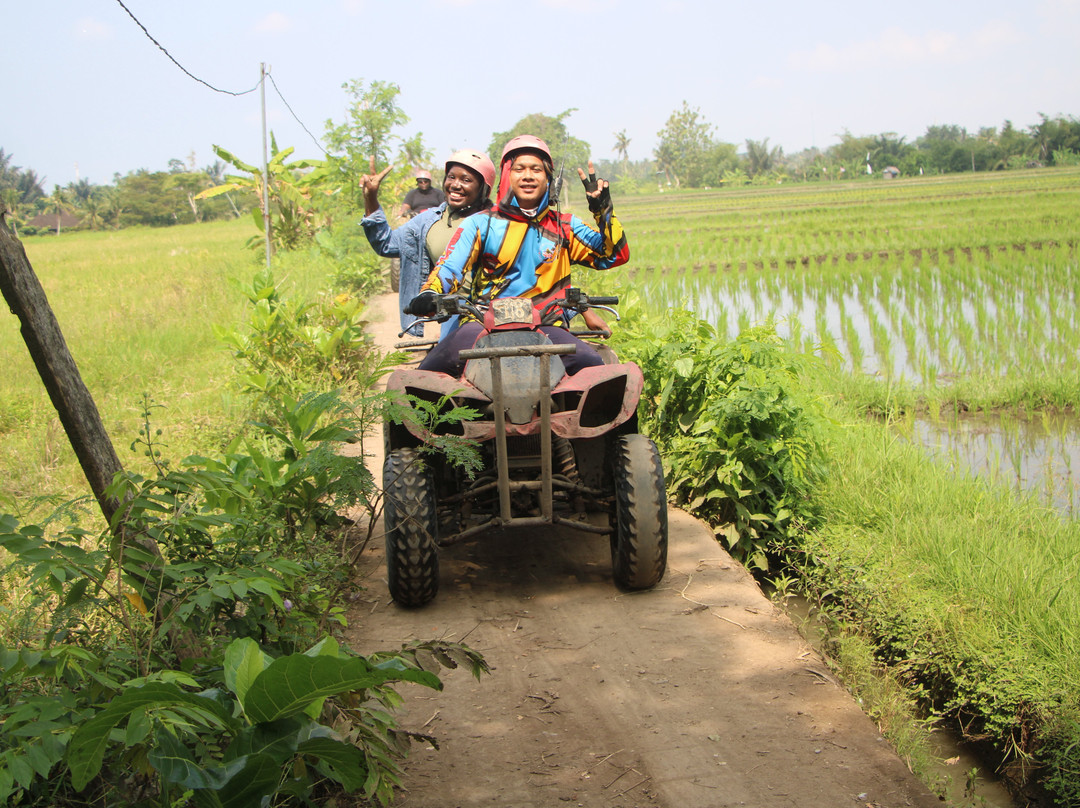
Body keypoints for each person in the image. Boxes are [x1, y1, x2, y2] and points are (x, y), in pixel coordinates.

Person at [409, 135, 627, 377]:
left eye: (536, 169)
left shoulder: (565, 226)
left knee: (595, 371)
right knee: (422, 381)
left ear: (548, 180)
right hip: (483, 324)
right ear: (506, 175)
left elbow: (614, 255)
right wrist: (430, 293)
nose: (528, 176)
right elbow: (450, 266)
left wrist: (603, 209)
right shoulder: (481, 224)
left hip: (546, 325)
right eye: (519, 168)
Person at [360, 150, 495, 337]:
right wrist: (370, 198)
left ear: (483, 189)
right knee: (442, 363)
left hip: (497, 313)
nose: (456, 184)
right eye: (451, 177)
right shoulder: (427, 221)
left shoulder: (500, 222)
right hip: (457, 313)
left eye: (466, 180)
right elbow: (386, 244)